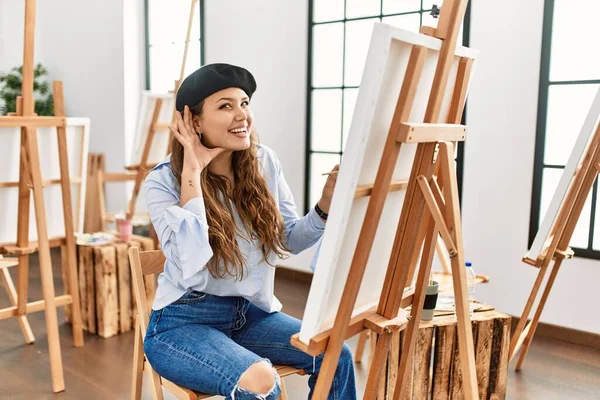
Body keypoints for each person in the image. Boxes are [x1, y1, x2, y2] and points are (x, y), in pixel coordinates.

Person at [142, 63, 357, 399]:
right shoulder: (162, 182)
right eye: (226, 106)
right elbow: (191, 260)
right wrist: (192, 174)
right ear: (194, 121)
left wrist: (324, 207)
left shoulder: (264, 162)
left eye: (244, 103)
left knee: (334, 353)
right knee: (261, 383)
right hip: (183, 324)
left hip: (249, 315)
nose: (241, 114)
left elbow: (286, 240)